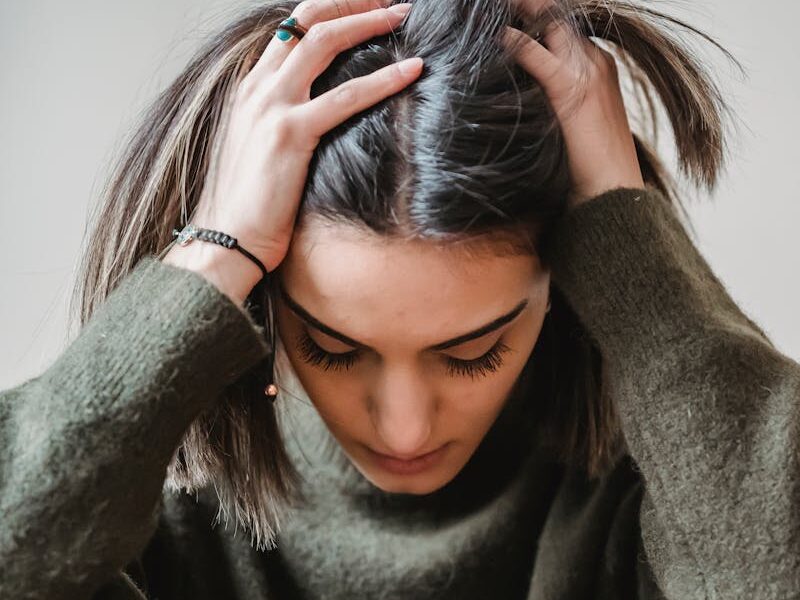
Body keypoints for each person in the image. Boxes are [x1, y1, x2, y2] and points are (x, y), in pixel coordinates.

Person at [1, 0, 797, 598]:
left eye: (473, 351)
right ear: (264, 297)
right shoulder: (147, 522)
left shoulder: (664, 513)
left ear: (567, 284)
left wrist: (622, 225)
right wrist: (218, 246)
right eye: (334, 347)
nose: (405, 426)